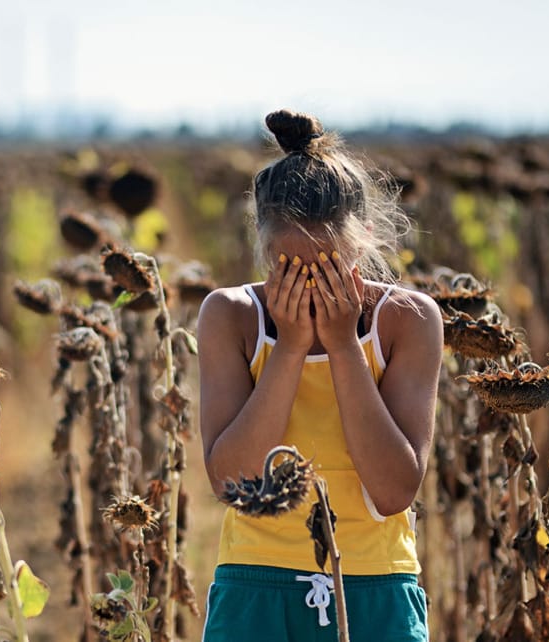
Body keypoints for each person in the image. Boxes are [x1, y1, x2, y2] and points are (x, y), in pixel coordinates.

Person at [197, 109, 442, 641]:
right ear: (262, 252)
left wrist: (342, 347)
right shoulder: (231, 315)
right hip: (256, 583)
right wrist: (288, 350)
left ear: (366, 245)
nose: (311, 289)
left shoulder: (409, 320)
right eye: (291, 270)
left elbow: (394, 488)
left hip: (375, 585)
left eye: (329, 269)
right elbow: (232, 482)